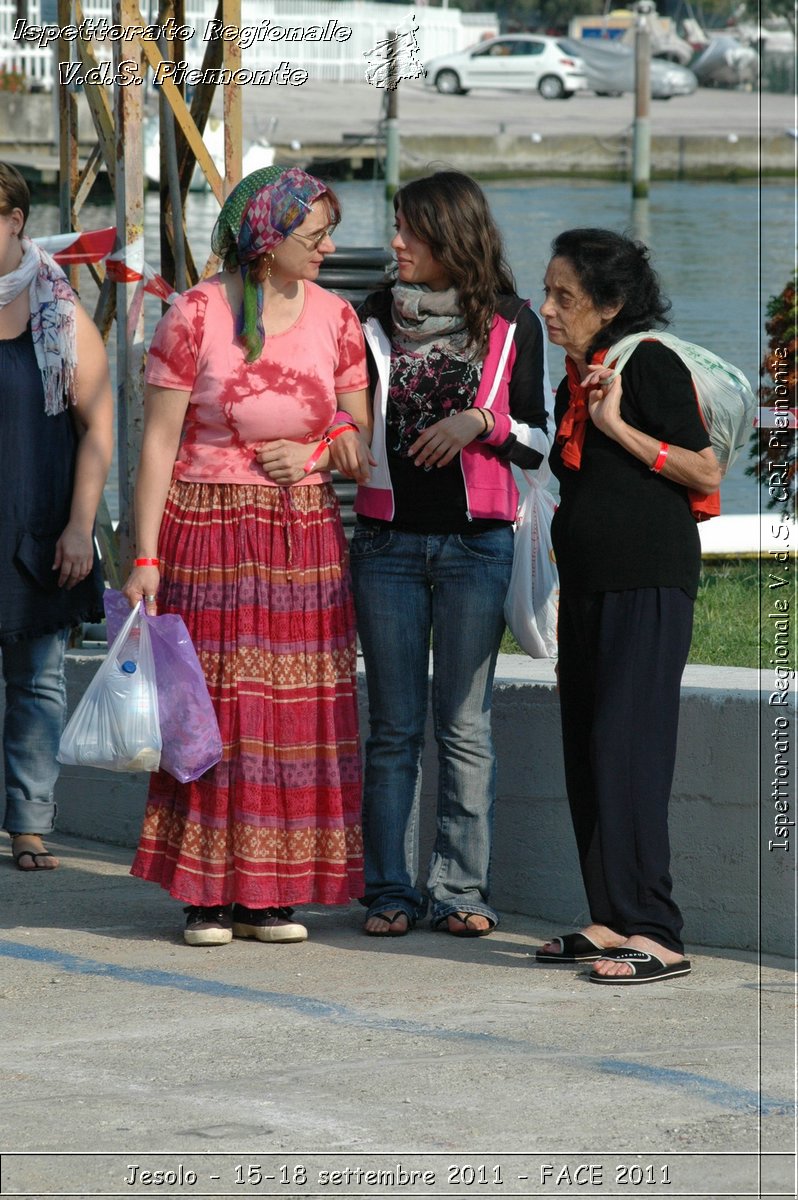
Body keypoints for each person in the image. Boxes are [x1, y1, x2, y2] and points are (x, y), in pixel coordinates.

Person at [122, 166, 372, 947]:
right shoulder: (193, 314)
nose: (329, 248)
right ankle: (205, 895)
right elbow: (158, 444)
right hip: (207, 527)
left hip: (303, 536)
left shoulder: (338, 319)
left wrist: (319, 451)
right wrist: (145, 557)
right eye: (315, 236)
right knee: (216, 709)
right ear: (266, 244)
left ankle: (271, 895)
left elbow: (361, 444)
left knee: (295, 718)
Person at [349, 170, 549, 938]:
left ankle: (462, 893)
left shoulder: (511, 322)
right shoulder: (369, 317)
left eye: (410, 230)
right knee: (395, 728)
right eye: (396, 227)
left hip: (478, 549)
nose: (395, 242)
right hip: (385, 545)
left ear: (450, 238)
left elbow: (535, 440)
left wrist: (481, 425)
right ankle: (390, 892)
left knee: (465, 725)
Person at [535, 228, 721, 984]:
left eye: (564, 297)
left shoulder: (650, 364)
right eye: (546, 292)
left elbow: (703, 466)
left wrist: (616, 426)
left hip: (646, 582)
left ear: (609, 305)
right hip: (587, 586)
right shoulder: (579, 371)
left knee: (629, 749)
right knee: (587, 749)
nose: (547, 308)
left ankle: (657, 929)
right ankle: (610, 916)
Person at [0, 162, 113, 871]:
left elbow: (99, 428)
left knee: (37, 682)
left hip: (36, 526)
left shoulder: (58, 310)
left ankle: (30, 822)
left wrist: (80, 525)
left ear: (14, 220)